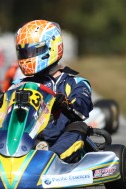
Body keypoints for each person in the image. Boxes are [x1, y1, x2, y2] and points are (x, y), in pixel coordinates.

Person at [15, 19, 93, 162]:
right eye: (24, 53)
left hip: (56, 138)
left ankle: (50, 157)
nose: (27, 57)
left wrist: (65, 103)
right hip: (23, 137)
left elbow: (82, 106)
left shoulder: (75, 82)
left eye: (33, 51)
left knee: (78, 127)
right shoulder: (20, 84)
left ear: (52, 47)